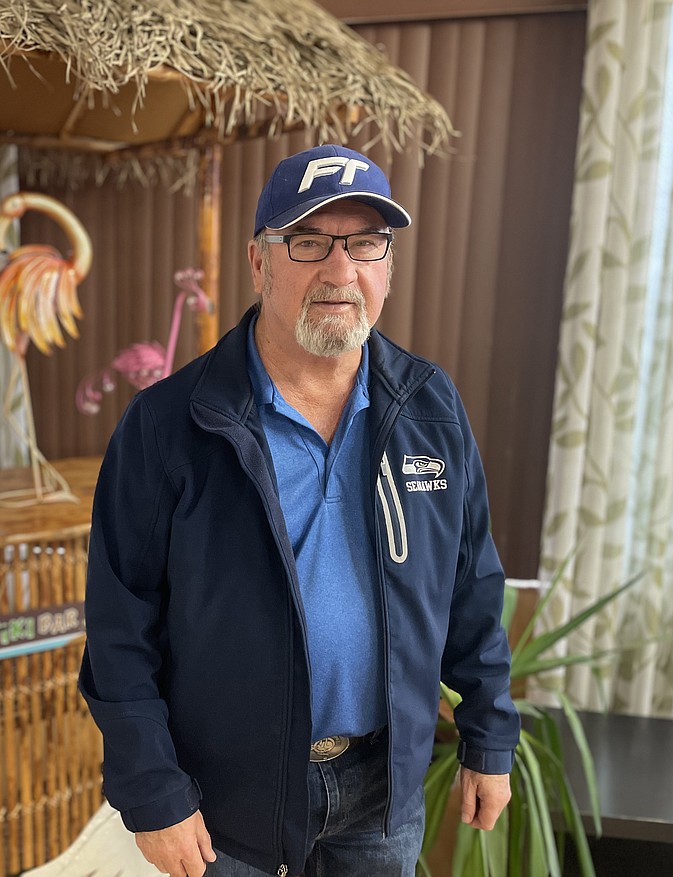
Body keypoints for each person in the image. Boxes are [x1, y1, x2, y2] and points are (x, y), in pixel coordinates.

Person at [78, 144, 520, 877]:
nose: (339, 271)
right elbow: (120, 628)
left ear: (388, 266)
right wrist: (153, 790)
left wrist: (489, 734)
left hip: (381, 792)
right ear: (260, 263)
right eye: (308, 242)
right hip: (222, 802)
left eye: (365, 243)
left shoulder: (430, 408)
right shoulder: (169, 425)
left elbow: (471, 585)